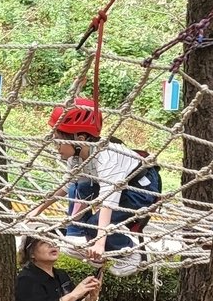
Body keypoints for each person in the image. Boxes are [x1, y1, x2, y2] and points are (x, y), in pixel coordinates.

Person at [46, 99, 161, 276]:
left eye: (58, 142)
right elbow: (68, 186)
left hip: (139, 189)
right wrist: (36, 211)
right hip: (115, 187)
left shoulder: (106, 157)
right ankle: (78, 236)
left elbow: (108, 201)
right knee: (76, 187)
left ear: (80, 139)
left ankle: (131, 252)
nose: (56, 148)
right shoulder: (76, 158)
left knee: (94, 226)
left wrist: (100, 241)